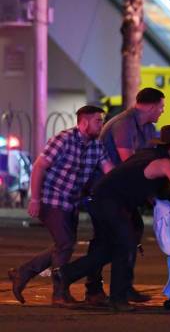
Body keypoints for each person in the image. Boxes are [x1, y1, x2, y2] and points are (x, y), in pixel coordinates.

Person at [54, 125, 170, 311]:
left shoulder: (147, 155)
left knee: (109, 249)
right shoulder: (166, 164)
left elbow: (140, 182)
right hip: (110, 202)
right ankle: (118, 298)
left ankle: (66, 274)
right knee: (126, 245)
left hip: (101, 200)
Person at [8, 106, 113, 305]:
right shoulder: (63, 139)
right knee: (65, 244)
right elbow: (39, 166)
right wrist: (35, 199)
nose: (101, 124)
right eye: (98, 121)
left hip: (72, 203)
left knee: (63, 246)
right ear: (84, 122)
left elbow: (110, 170)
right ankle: (59, 294)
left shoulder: (96, 146)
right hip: (52, 200)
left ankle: (22, 273)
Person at [84, 88, 166, 305]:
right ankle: (91, 286)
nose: (162, 111)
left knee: (131, 234)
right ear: (150, 106)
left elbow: (150, 156)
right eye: (161, 107)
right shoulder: (124, 124)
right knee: (110, 240)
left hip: (123, 193)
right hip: (106, 192)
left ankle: (121, 287)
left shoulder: (148, 128)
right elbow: (130, 162)